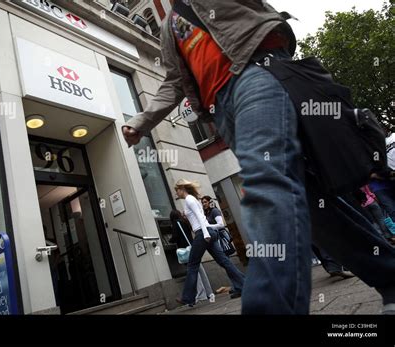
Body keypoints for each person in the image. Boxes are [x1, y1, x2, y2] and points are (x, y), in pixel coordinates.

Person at [122, 0, 395, 314]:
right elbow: (173, 81)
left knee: (266, 182)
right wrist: (141, 121)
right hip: (222, 110)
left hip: (256, 72)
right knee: (308, 204)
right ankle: (389, 276)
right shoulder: (170, 25)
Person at [174, 179, 245, 306]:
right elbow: (200, 217)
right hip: (207, 232)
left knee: (192, 264)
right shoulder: (192, 200)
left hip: (203, 233)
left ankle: (188, 297)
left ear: (182, 189)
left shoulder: (189, 199)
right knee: (223, 261)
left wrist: (206, 233)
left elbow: (200, 217)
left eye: (177, 190)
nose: (176, 193)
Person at [169, 210, 213, 302]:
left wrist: (169, 240)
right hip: (193, 247)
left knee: (194, 272)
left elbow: (175, 237)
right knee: (201, 270)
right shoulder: (185, 222)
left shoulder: (176, 224)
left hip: (186, 250)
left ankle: (201, 295)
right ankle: (209, 293)